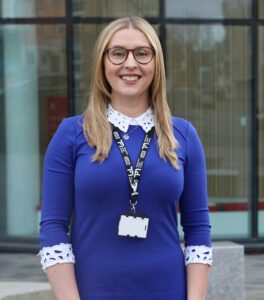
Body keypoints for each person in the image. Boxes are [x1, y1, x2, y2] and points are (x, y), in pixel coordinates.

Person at [38, 16, 212, 300]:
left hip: (168, 291)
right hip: (92, 291)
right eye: (118, 53)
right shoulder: (71, 134)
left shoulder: (184, 135)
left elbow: (198, 229)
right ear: (102, 62)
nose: (130, 63)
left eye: (142, 53)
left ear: (156, 64)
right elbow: (53, 227)